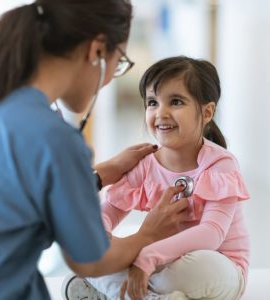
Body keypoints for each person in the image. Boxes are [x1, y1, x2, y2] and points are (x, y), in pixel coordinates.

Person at [0, 2, 191, 300]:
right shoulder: (54, 136)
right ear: (98, 49)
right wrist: (148, 233)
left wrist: (98, 175)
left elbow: (13, 194)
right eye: (120, 61)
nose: (112, 75)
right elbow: (89, 258)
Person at [69, 56, 250, 300]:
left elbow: (211, 234)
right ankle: (151, 296)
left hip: (215, 266)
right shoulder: (145, 164)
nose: (160, 112)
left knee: (198, 268)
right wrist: (100, 240)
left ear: (207, 112)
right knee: (87, 251)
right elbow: (109, 210)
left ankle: (115, 291)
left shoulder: (220, 164)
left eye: (175, 102)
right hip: (160, 265)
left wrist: (146, 258)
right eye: (152, 102)